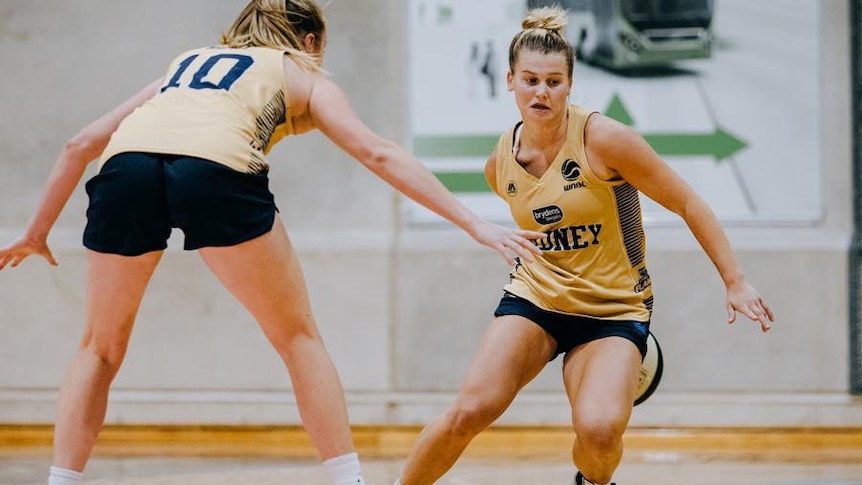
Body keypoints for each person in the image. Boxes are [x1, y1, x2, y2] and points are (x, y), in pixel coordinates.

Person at [0, 1, 545, 484]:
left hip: (125, 169)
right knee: (297, 337)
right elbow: (378, 153)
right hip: (214, 170)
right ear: (309, 42)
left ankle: (60, 480)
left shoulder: (186, 63)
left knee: (98, 348)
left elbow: (82, 143)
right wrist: (474, 222)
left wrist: (36, 231)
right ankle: (348, 479)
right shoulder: (302, 72)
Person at [392, 6, 774, 485]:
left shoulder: (604, 138)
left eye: (553, 81)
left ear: (570, 84)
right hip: (537, 298)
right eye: (530, 80)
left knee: (598, 430)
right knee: (470, 410)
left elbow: (690, 203)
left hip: (614, 309)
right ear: (509, 81)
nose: (541, 92)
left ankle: (592, 482)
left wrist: (734, 280)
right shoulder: (500, 165)